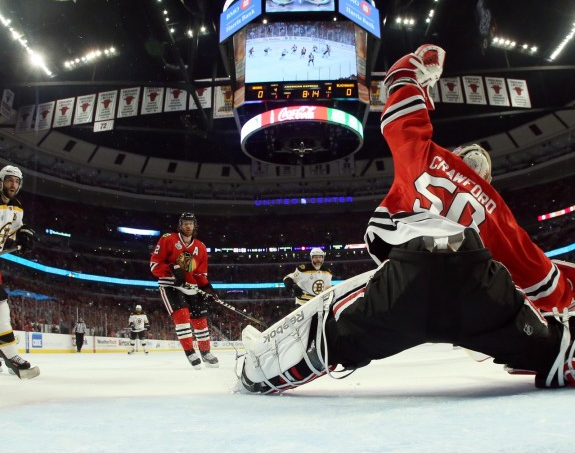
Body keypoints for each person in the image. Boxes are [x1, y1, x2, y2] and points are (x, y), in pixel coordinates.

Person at [240, 44, 575, 394]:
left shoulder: (425, 157)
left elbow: (399, 107)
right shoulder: (494, 207)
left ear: (457, 155)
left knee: (334, 335)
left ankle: (259, 372)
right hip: (478, 293)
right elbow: (544, 282)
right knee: (553, 350)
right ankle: (556, 352)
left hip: (408, 280)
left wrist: (416, 69)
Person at [150, 212, 219, 369]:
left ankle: (205, 352)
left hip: (192, 287)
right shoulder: (168, 239)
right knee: (182, 316)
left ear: (195, 226)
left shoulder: (200, 247)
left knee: (200, 319)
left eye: (191, 223)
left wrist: (208, 289)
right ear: (180, 225)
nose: (188, 226)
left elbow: (200, 274)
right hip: (170, 285)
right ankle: (190, 352)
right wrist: (171, 268)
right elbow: (154, 265)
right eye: (185, 223)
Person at [0, 165, 39, 379]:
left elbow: (13, 233)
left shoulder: (16, 207)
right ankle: (10, 353)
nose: (12, 184)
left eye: (16, 181)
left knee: (0, 306)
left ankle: (8, 353)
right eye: (8, 180)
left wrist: (24, 235)